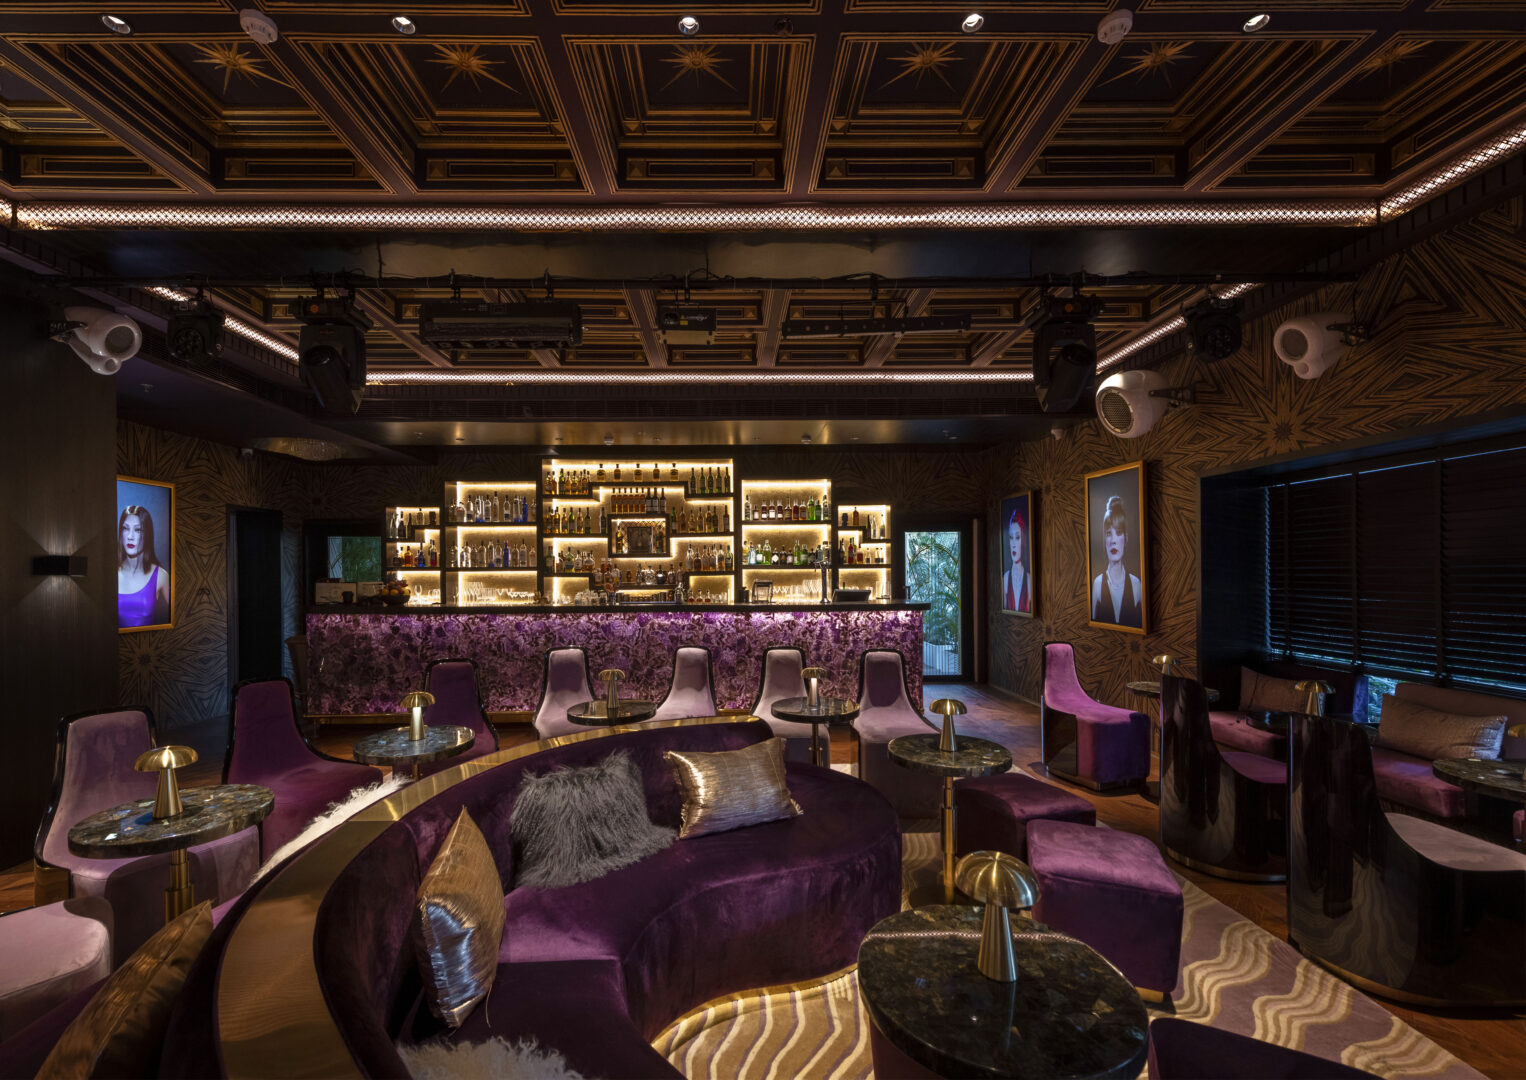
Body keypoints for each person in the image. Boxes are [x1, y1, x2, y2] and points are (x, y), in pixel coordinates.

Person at [1091, 495, 1142, 628]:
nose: (1113, 540)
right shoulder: (1097, 585)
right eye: (1109, 533)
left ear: (1125, 538)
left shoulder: (1136, 585)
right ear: (1105, 540)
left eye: (1118, 533)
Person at [118, 504, 170, 628]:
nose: (130, 537)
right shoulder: (110, 574)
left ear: (147, 534)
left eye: (138, 530)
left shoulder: (161, 576)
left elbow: (181, 616)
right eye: (125, 528)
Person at [1002, 506, 1030, 613]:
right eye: (1011, 538)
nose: (1013, 544)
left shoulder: (1029, 579)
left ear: (1023, 540)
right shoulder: (1005, 578)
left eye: (1017, 537)